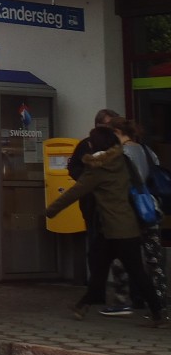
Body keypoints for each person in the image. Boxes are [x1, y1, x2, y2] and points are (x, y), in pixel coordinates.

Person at [45, 127, 167, 327]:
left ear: (96, 144)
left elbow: (75, 191)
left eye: (91, 141)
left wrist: (50, 211)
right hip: (120, 226)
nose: (89, 144)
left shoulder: (98, 168)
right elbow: (137, 185)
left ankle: (157, 314)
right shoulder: (123, 160)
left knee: (134, 270)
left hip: (117, 230)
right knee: (99, 265)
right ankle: (83, 305)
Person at [102, 118, 168, 317]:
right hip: (150, 209)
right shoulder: (148, 151)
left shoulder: (121, 154)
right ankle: (158, 301)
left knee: (122, 256)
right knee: (154, 258)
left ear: (117, 132)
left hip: (130, 210)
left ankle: (123, 300)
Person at [67, 108, 118, 289]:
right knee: (96, 243)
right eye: (109, 125)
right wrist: (88, 181)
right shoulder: (86, 145)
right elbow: (73, 168)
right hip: (92, 202)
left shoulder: (119, 146)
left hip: (115, 204)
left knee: (119, 246)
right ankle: (97, 288)